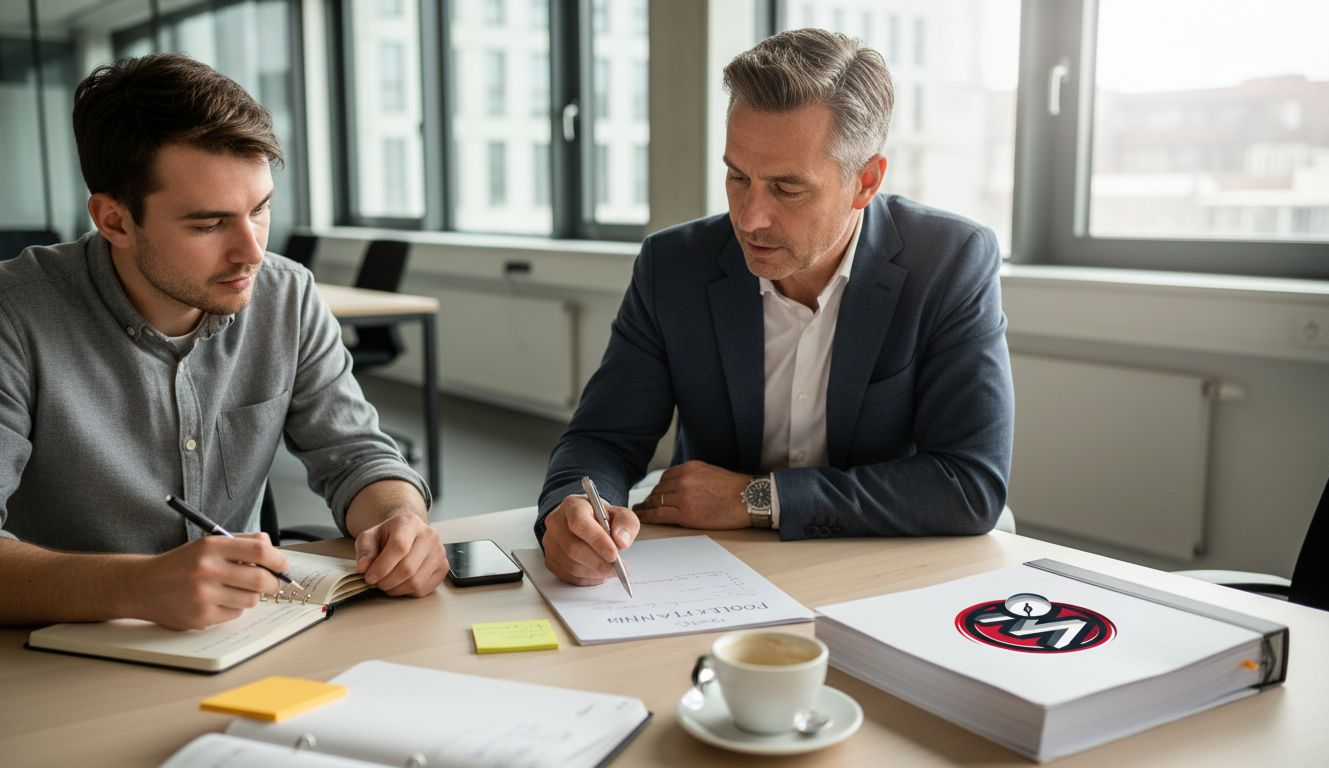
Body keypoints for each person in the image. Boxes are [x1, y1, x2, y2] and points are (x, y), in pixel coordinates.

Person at [537, 29, 1013, 585]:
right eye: (738, 177)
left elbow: (967, 485)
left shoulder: (951, 261)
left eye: (787, 189)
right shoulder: (673, 266)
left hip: (895, 569)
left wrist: (756, 498)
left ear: (865, 182)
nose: (749, 217)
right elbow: (602, 439)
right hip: (724, 572)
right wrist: (570, 510)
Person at [0, 53, 447, 630]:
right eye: (209, 224)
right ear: (114, 221)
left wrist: (399, 518)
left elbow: (357, 456)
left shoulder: (287, 296)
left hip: (242, 635)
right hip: (55, 651)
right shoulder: (14, 313)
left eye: (259, 210)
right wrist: (136, 587)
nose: (253, 252)